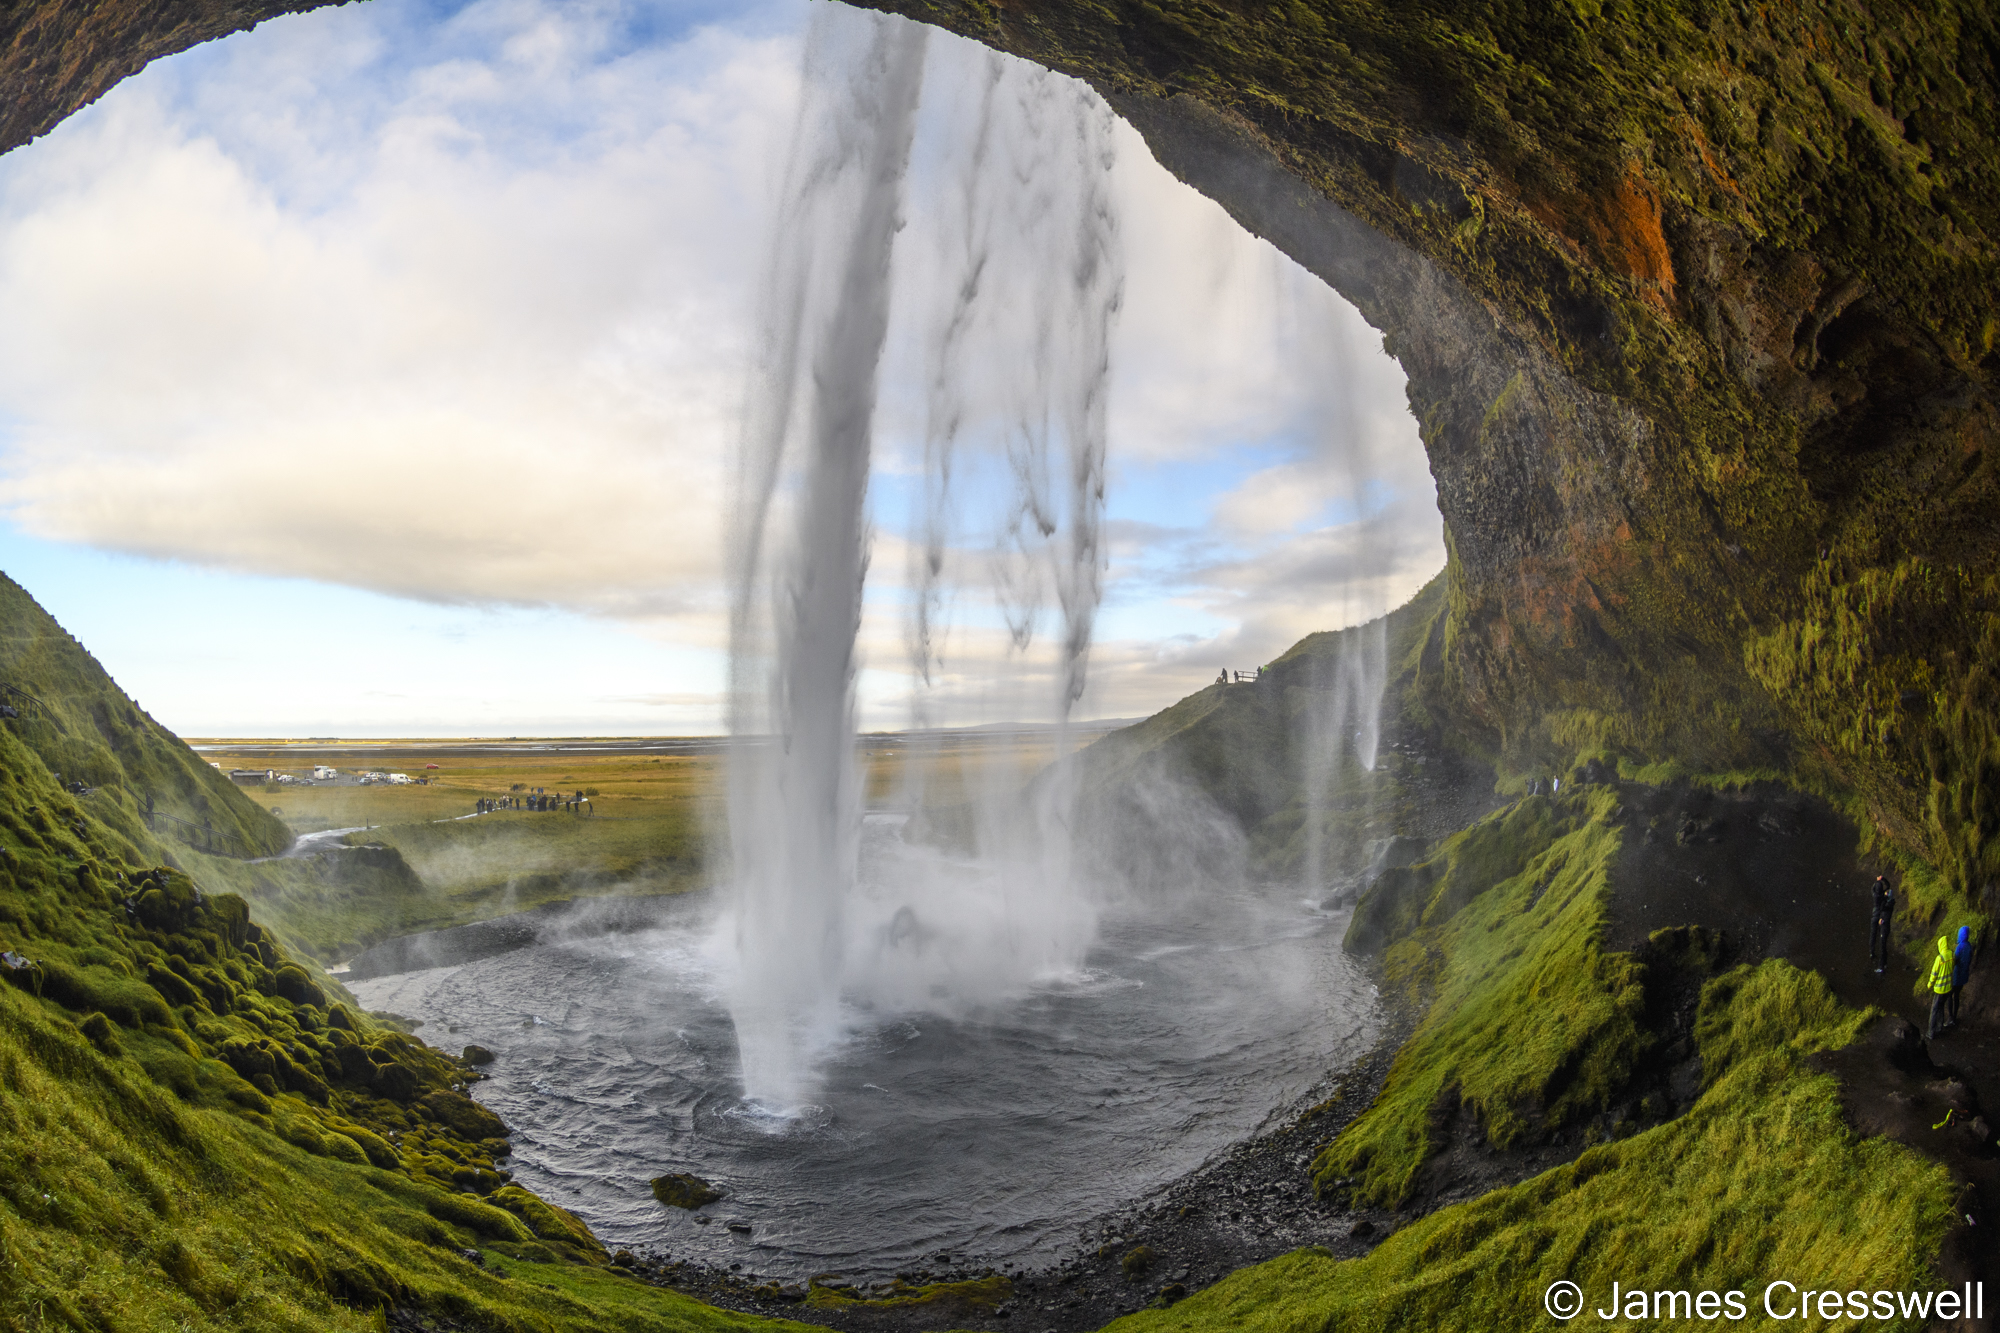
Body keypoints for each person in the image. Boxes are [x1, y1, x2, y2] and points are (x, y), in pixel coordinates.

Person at [1928, 933, 1956, 1038]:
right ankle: (1940, 1027)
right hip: (1948, 988)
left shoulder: (1940, 958)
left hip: (1939, 989)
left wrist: (1930, 984)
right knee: (1941, 1007)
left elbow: (1934, 973)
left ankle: (1931, 1032)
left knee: (1934, 1010)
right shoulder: (1952, 955)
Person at [1869, 875, 1895, 973]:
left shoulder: (1876, 895)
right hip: (1881, 919)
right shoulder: (1884, 899)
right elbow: (1888, 885)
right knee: (1882, 942)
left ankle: (1872, 953)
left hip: (1877, 917)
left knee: (1873, 935)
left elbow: (1873, 888)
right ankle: (1883, 963)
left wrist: (1877, 882)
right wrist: (1883, 879)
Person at [1950, 925, 1974, 1026]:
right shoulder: (1969, 946)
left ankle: (1950, 1018)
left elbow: (1955, 961)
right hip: (1964, 975)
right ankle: (1954, 1017)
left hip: (1957, 975)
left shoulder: (1960, 947)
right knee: (1957, 996)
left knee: (1950, 995)